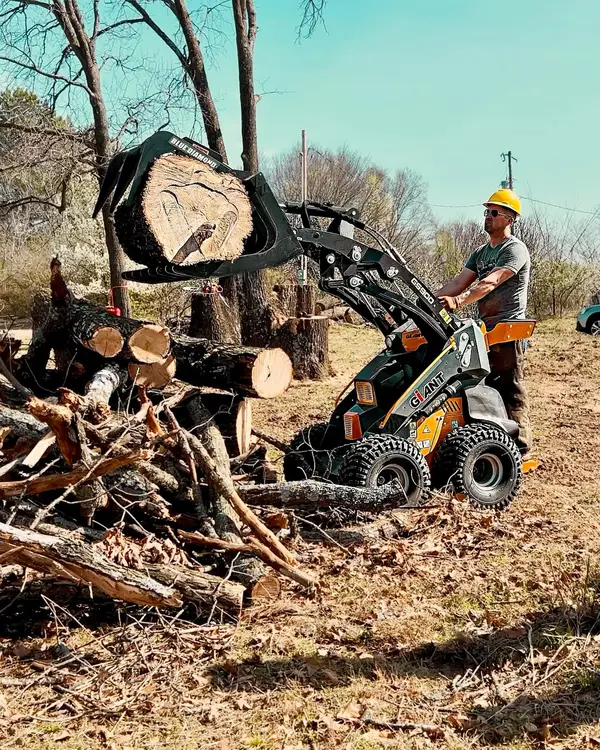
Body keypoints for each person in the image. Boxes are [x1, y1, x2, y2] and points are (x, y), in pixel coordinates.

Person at [435, 188, 532, 453]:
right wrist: (429, 301)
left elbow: (491, 282)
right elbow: (458, 282)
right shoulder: (480, 253)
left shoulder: (515, 250)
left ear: (509, 219)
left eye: (494, 212)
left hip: (508, 329)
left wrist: (459, 301)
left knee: (510, 389)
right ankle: (493, 444)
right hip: (484, 330)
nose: (487, 216)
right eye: (486, 211)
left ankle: (520, 449)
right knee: (482, 387)